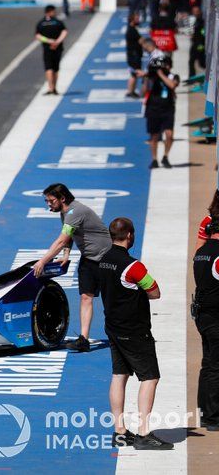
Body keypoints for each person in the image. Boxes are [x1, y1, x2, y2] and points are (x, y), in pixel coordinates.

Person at [98, 217, 173, 450]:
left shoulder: (102, 260)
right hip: (135, 330)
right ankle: (143, 433)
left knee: (119, 375)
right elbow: (155, 292)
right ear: (129, 235)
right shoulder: (134, 266)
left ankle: (119, 431)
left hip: (112, 327)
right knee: (150, 377)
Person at [32, 184, 112, 352]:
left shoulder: (75, 212)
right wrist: (67, 254)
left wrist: (43, 261)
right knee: (85, 297)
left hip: (106, 257)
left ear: (62, 199)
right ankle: (84, 339)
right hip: (89, 258)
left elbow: (61, 240)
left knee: (111, 299)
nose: (48, 204)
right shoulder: (65, 213)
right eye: (46, 201)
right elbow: (69, 236)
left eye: (51, 201)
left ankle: (124, 333)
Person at [193, 199, 219, 432]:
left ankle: (207, 413)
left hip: (203, 314)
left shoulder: (201, 253)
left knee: (209, 363)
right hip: (215, 315)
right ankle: (212, 416)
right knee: (215, 365)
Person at [145, 54, 180, 169]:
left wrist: (160, 74)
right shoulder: (153, 77)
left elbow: (172, 86)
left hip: (167, 109)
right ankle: (154, 159)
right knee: (154, 136)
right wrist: (147, 78)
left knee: (169, 135)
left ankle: (165, 156)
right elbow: (143, 91)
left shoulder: (173, 76)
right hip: (153, 108)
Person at [35, 5, 68, 95]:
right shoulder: (57, 22)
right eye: (53, 11)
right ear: (49, 12)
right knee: (55, 68)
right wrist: (57, 42)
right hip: (57, 47)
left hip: (47, 48)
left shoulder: (41, 23)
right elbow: (64, 32)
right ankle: (54, 88)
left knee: (49, 68)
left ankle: (51, 87)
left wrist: (49, 41)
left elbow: (38, 35)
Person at [125, 11, 144, 98]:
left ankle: (131, 90)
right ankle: (130, 91)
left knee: (134, 74)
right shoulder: (132, 30)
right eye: (136, 18)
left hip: (133, 55)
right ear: (132, 20)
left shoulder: (132, 29)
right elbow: (141, 40)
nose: (138, 20)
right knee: (134, 73)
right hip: (134, 55)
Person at [189, 4, 206, 78]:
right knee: (191, 61)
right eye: (194, 11)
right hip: (195, 43)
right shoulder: (195, 21)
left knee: (201, 62)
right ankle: (191, 76)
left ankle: (202, 76)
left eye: (197, 11)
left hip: (200, 44)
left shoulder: (202, 22)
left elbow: (203, 33)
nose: (195, 13)